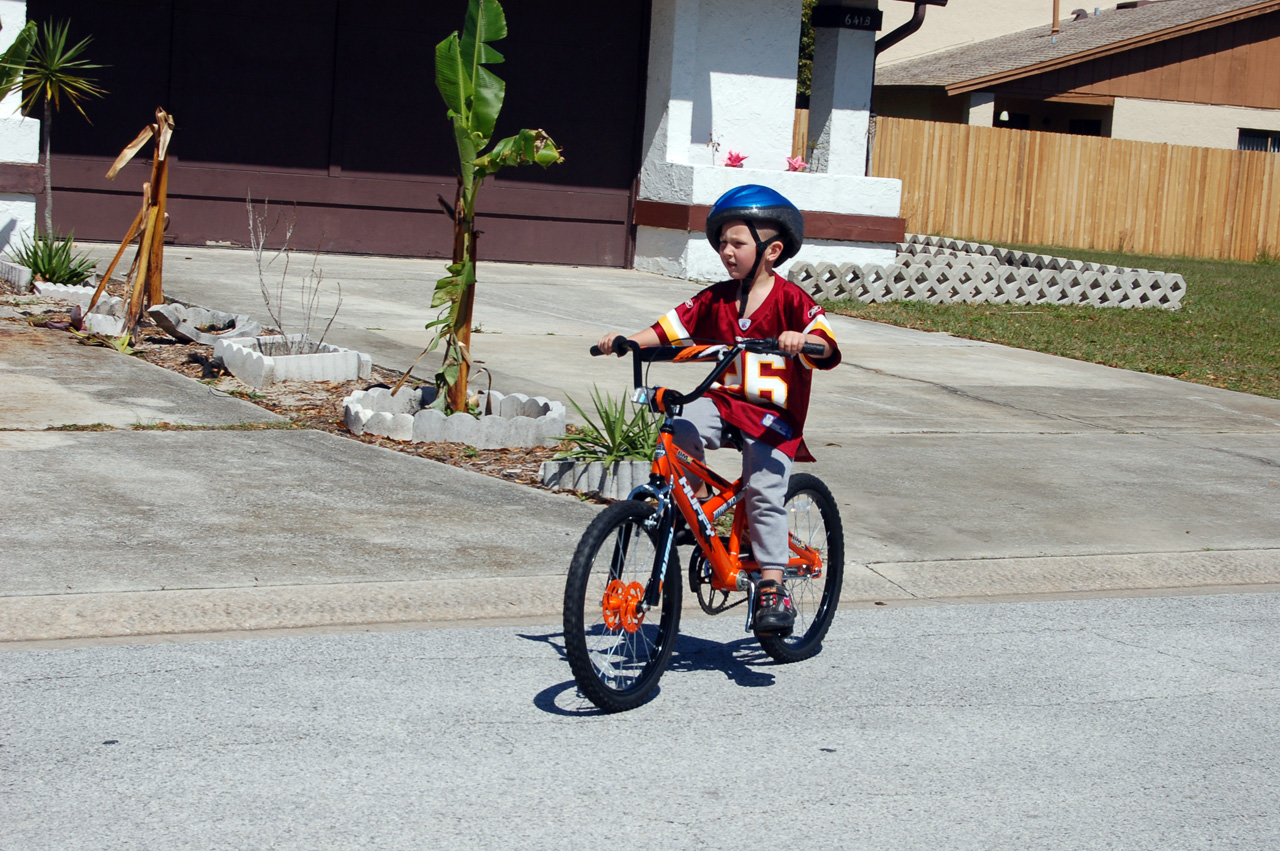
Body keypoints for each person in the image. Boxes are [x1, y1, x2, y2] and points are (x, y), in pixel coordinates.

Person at [597, 185, 841, 635]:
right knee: (681, 428)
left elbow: (823, 340)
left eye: (738, 243)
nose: (727, 251)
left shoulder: (789, 299)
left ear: (772, 250)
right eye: (722, 243)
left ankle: (772, 582)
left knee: (765, 490)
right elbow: (671, 327)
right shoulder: (716, 299)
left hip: (772, 416)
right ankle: (700, 507)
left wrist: (801, 340)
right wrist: (631, 340)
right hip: (724, 402)